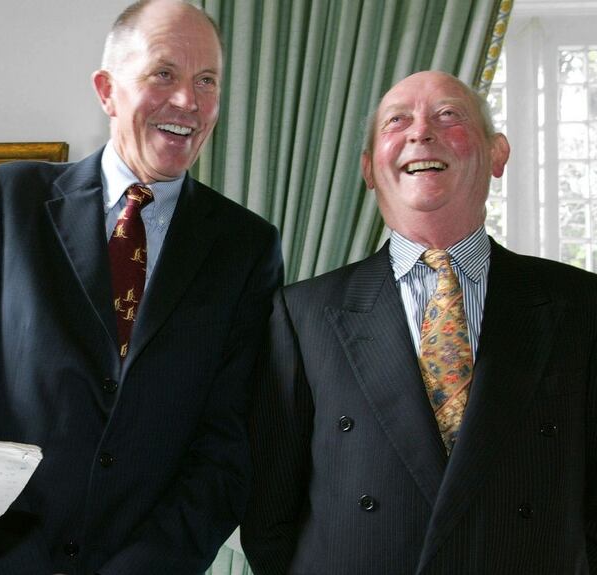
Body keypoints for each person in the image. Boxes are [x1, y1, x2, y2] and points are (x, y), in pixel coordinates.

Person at [0, 1, 283, 573]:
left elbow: (227, 442)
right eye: (164, 74)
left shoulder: (246, 248)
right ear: (107, 90)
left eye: (206, 81)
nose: (187, 101)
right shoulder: (9, 204)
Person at [240, 70, 597, 573]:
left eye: (449, 115)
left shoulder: (582, 305)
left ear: (497, 154)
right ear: (369, 168)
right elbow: (268, 514)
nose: (420, 132)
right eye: (396, 121)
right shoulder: (301, 315)